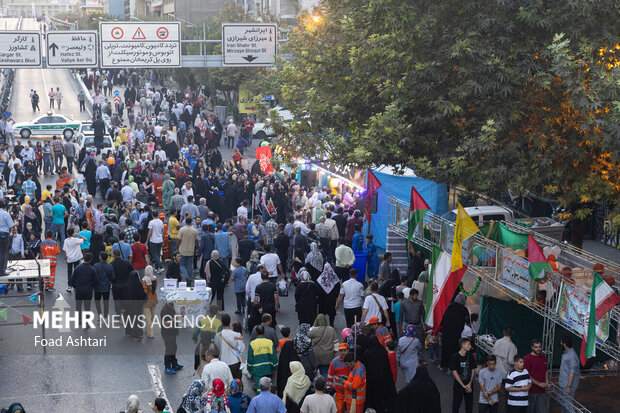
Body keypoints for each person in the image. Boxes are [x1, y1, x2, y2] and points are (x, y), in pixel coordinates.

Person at [440, 293, 470, 370]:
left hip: (446, 332)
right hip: (456, 334)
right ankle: (451, 368)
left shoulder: (449, 306)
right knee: (454, 350)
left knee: (445, 348)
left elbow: (443, 319)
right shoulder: (464, 310)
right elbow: (467, 321)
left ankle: (443, 365)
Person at [493, 324, 518, 410]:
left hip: (496, 373)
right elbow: (511, 361)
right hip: (506, 375)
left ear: (503, 332)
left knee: (497, 395)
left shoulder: (497, 342)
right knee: (506, 397)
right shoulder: (512, 346)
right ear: (513, 333)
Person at [247, 325, 279, 392]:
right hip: (268, 369)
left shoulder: (252, 344)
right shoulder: (270, 342)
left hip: (257, 370)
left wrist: (249, 369)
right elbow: (273, 357)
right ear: (264, 332)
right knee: (268, 386)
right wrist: (275, 369)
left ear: (256, 332)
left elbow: (250, 358)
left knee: (259, 388)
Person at [215, 313, 245, 380]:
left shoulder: (217, 336)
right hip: (235, 363)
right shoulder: (237, 335)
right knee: (237, 383)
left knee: (225, 383)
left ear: (222, 323)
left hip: (223, 363)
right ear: (230, 321)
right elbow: (242, 349)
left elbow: (216, 350)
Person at [450, 338, 476, 413]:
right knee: (456, 405)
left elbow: (473, 369)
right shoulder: (455, 357)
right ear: (463, 345)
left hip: (469, 385)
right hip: (458, 385)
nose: (470, 346)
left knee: (469, 405)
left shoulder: (470, 355)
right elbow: (454, 372)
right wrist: (463, 385)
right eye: (468, 344)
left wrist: (470, 383)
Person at [308, 314, 339, 378]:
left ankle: (317, 385)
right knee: (325, 373)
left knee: (314, 372)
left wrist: (314, 326)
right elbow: (336, 344)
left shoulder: (314, 330)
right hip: (328, 356)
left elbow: (308, 334)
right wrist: (334, 353)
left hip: (316, 356)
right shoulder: (331, 329)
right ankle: (325, 385)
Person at [523, 338, 548, 413]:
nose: (538, 349)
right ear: (532, 347)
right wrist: (539, 384)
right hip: (530, 391)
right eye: (536, 347)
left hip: (542, 392)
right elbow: (527, 375)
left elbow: (546, 371)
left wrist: (547, 382)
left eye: (539, 347)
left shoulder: (543, 358)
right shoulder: (527, 358)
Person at [69, 252, 96, 317]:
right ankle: (87, 320)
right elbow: (95, 280)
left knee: (78, 306)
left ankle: (79, 319)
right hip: (88, 290)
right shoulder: (92, 269)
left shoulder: (78, 268)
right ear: (91, 259)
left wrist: (75, 287)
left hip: (79, 290)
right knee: (87, 306)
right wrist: (93, 287)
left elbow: (72, 279)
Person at [161, 299, 183, 375]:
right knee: (169, 349)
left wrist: (177, 331)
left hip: (172, 332)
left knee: (174, 348)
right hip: (167, 333)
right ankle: (167, 367)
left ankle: (174, 364)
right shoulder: (165, 310)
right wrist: (174, 319)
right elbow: (165, 323)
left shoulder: (172, 307)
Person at [558, 335, 580, 413]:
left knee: (568, 405)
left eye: (561, 342)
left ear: (564, 344)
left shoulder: (572, 356)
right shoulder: (567, 353)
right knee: (563, 404)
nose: (560, 343)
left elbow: (572, 372)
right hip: (563, 384)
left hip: (567, 386)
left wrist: (568, 387)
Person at [63, 228, 86, 293]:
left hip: (69, 258)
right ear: (73, 233)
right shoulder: (76, 240)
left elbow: (64, 250)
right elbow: (85, 239)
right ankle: (76, 286)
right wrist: (78, 234)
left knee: (69, 272)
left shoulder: (66, 241)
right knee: (77, 272)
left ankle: (69, 286)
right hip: (76, 257)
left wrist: (66, 258)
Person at [177, 217, 198, 285]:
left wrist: (177, 248)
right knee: (190, 265)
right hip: (191, 250)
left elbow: (179, 240)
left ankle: (187, 277)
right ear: (191, 222)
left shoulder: (182, 230)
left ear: (185, 222)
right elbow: (196, 241)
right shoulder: (194, 230)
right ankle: (189, 278)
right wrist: (197, 249)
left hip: (183, 250)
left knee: (182, 265)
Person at [93, 251, 114, 319]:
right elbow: (113, 277)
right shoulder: (110, 266)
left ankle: (99, 314)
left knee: (97, 301)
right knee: (106, 302)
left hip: (97, 287)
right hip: (106, 286)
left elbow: (93, 276)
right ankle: (105, 314)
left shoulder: (96, 266)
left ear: (100, 257)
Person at [141, 266, 158, 338]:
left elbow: (144, 291)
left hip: (146, 300)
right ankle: (148, 329)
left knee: (147, 316)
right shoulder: (155, 278)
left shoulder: (143, 280)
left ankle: (150, 332)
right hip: (154, 299)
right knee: (152, 316)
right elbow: (155, 287)